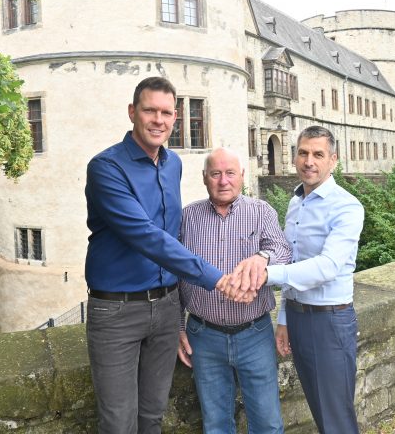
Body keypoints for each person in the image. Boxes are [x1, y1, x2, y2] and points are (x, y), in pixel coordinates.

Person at [84, 76, 232, 434]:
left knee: (153, 416)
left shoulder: (173, 164)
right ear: (133, 112)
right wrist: (216, 277)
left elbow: (172, 233)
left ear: (175, 117)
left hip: (165, 309)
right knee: (119, 423)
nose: (158, 120)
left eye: (166, 113)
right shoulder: (106, 167)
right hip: (117, 311)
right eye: (150, 110)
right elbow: (147, 237)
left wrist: (179, 314)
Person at [236, 125, 364, 434]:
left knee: (336, 419)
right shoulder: (296, 202)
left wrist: (266, 274)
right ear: (295, 157)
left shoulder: (347, 206)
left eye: (318, 154)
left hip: (330, 322)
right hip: (299, 316)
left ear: (333, 160)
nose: (309, 161)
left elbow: (327, 266)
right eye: (303, 153)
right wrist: (284, 317)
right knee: (320, 411)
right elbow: (293, 260)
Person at [177, 148, 291, 434]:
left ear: (242, 176)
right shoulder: (187, 217)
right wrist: (177, 325)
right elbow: (173, 272)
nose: (223, 180)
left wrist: (262, 258)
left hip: (255, 334)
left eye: (230, 173)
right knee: (215, 425)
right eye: (215, 173)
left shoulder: (260, 211)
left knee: (268, 423)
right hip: (204, 336)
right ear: (205, 178)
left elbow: (283, 250)